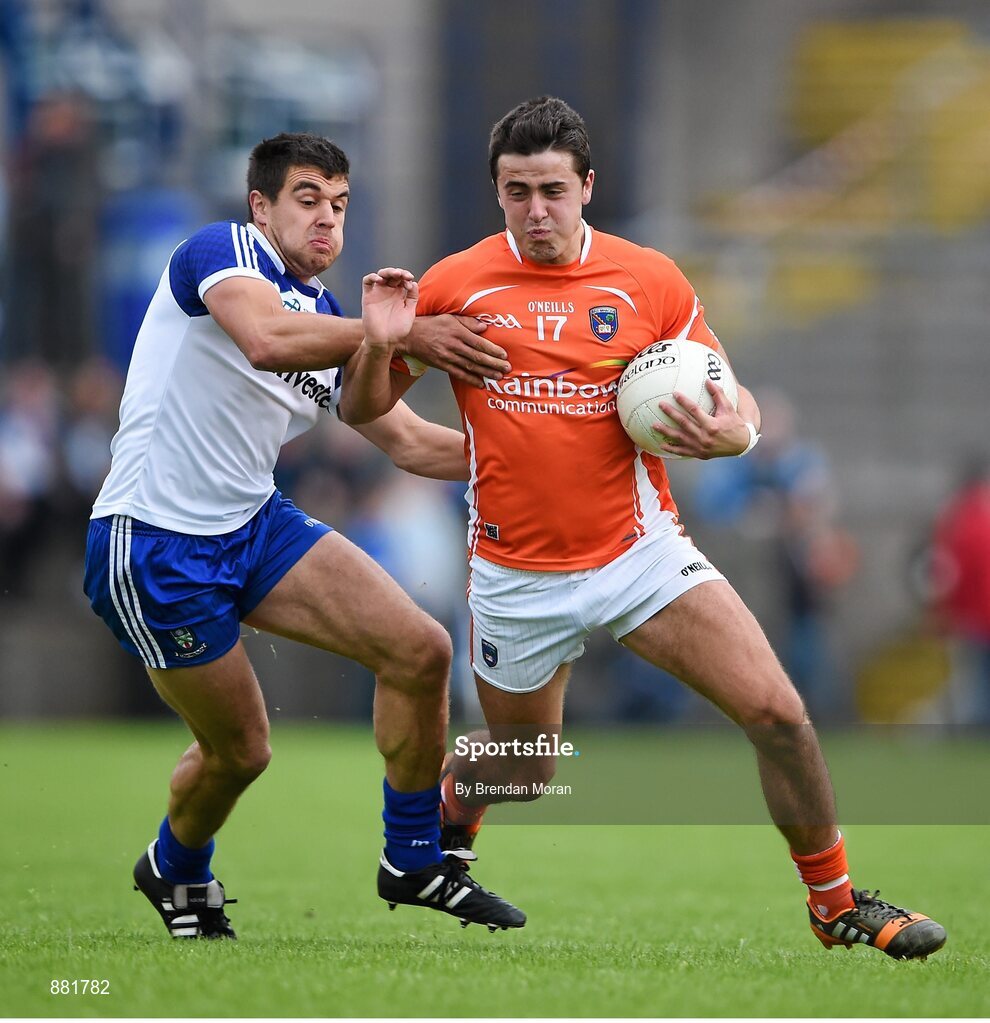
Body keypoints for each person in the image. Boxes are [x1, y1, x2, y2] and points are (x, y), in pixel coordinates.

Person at [339, 98, 946, 961]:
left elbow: (731, 397)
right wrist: (379, 344)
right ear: (497, 192)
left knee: (778, 712)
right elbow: (367, 410)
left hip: (640, 555)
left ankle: (836, 900)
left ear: (588, 185)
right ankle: (447, 820)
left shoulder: (649, 280)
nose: (536, 210)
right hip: (513, 573)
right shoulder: (452, 284)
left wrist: (737, 432)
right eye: (516, 192)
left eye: (553, 189)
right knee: (526, 766)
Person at [83, 132, 524, 939]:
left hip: (253, 524)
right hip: (153, 541)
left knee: (421, 650)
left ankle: (414, 859)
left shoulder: (325, 312)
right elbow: (264, 339)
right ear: (263, 206)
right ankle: (174, 868)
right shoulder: (220, 251)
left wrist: (537, 454)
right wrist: (397, 334)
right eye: (308, 200)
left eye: (341, 206)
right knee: (243, 751)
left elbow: (400, 436)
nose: (327, 221)